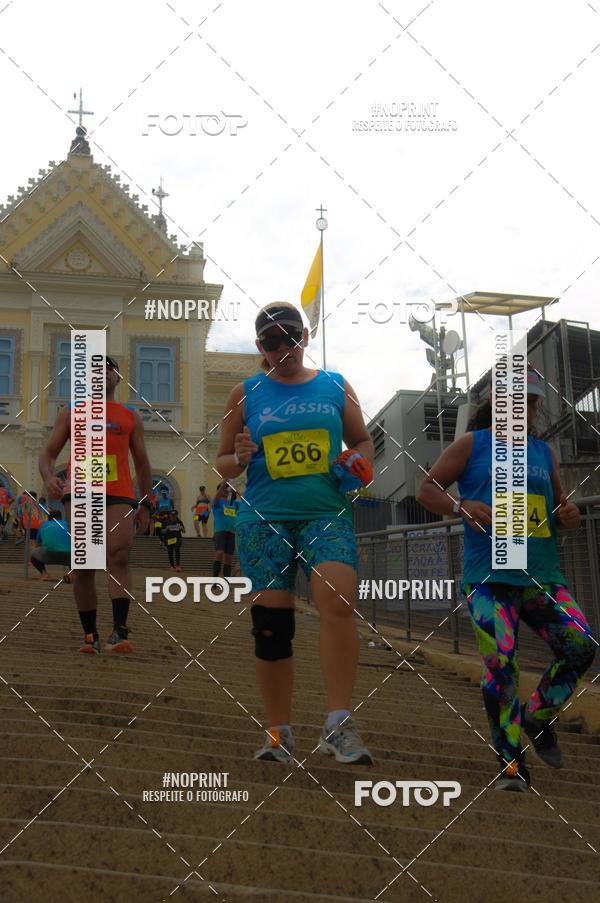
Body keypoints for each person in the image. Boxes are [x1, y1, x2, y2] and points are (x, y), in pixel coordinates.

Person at [416, 367, 596, 791]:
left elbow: (559, 507)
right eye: (515, 402)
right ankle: (510, 763)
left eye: (531, 402)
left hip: (541, 576)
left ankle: (537, 715)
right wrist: (462, 506)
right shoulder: (471, 445)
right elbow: (426, 489)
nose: (524, 410)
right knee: (501, 663)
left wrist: (568, 515)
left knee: (581, 646)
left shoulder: (543, 453)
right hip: (489, 577)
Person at [216, 301, 375, 765]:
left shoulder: (335, 385)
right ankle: (278, 733)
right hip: (264, 518)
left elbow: (362, 441)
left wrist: (357, 463)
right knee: (272, 626)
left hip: (325, 512)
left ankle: (339, 724)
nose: (283, 346)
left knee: (339, 599)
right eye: (271, 340)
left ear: (304, 336)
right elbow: (221, 462)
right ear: (260, 348)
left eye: (290, 336)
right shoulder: (244, 394)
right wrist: (241, 457)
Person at [39, 355, 152, 654]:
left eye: (109, 369)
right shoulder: (70, 413)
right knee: (85, 564)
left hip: (119, 493)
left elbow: (142, 463)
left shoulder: (130, 416)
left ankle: (120, 632)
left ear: (117, 378)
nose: (102, 374)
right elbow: (47, 454)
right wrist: (50, 476)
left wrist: (146, 503)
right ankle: (91, 635)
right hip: (79, 493)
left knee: (118, 556)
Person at [210, 484, 239, 591]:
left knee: (229, 559)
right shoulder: (216, 501)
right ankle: (214, 581)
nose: (226, 491)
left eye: (227, 490)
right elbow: (216, 497)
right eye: (224, 489)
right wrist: (224, 482)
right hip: (220, 531)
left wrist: (237, 492)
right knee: (219, 553)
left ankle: (226, 582)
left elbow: (247, 504)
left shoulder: (234, 503)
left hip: (231, 533)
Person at [30, 508, 71, 583]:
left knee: (33, 553)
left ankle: (44, 574)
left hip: (49, 555)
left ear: (48, 518)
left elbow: (38, 544)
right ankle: (71, 575)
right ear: (61, 517)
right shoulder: (68, 524)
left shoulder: (44, 525)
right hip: (68, 556)